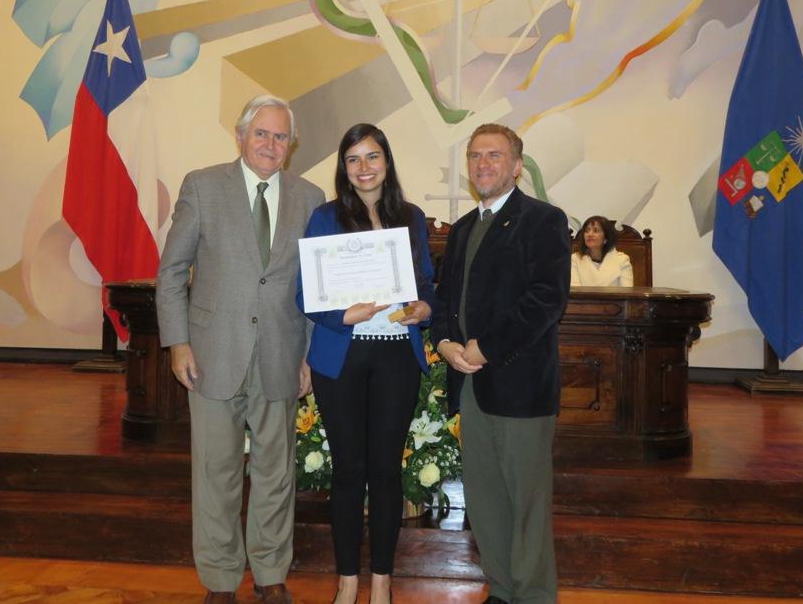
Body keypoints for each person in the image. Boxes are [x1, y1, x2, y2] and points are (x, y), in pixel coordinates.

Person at [156, 95, 325, 604]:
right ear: (241, 135)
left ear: (290, 145)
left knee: (276, 473)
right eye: (262, 134)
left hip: (282, 353)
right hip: (210, 354)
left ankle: (271, 575)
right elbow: (170, 272)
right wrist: (177, 342)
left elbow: (315, 287)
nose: (271, 145)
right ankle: (221, 579)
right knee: (216, 473)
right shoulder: (203, 187)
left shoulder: (311, 197)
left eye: (280, 137)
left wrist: (308, 355)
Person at [297, 123, 437, 604]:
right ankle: (346, 582)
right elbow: (305, 293)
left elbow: (428, 286)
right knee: (348, 471)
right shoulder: (325, 217)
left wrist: (424, 309)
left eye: (372, 157)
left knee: (385, 471)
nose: (364, 168)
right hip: (343, 354)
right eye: (353, 159)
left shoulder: (412, 217)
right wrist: (341, 314)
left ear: (387, 162)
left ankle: (381, 583)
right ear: (343, 168)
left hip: (397, 354)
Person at [432, 123, 571, 604]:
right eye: (475, 156)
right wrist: (446, 342)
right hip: (469, 384)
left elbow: (545, 301)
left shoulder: (543, 220)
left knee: (526, 501)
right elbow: (446, 299)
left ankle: (532, 595)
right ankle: (503, 588)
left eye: (494, 155)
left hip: (519, 384)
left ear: (517, 166)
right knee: (486, 497)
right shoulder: (464, 228)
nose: (483, 164)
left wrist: (485, 347)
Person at [570, 215, 634, 287]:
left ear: (606, 237)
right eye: (586, 231)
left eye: (595, 231)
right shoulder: (575, 259)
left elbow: (627, 294)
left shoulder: (622, 260)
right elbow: (575, 292)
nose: (589, 234)